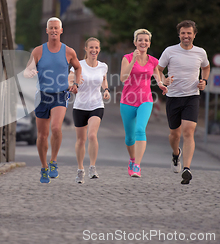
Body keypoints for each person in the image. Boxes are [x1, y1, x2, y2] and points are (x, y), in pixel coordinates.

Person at [24, 17, 82, 184]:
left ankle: (53, 162)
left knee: (56, 128)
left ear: (61, 30)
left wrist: (76, 83)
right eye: (51, 28)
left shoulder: (69, 52)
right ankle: (43, 167)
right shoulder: (38, 51)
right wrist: (29, 73)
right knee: (42, 136)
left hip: (60, 94)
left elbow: (78, 67)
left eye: (57, 28)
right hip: (42, 95)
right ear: (47, 31)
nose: (54, 31)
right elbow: (28, 70)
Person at [157, 20, 210, 185]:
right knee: (175, 134)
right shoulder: (170, 51)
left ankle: (187, 168)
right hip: (173, 97)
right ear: (179, 34)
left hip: (191, 97)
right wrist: (163, 80)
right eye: (183, 33)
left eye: (189, 33)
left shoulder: (200, 52)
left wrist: (204, 81)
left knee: (188, 131)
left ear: (194, 34)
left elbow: (206, 67)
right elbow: (158, 69)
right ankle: (175, 154)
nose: (186, 36)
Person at [120, 29, 168, 178]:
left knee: (140, 130)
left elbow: (158, 75)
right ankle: (132, 159)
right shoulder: (127, 58)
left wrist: (161, 83)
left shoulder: (153, 61)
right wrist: (134, 60)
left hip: (145, 100)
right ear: (135, 42)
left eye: (146, 40)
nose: (143, 42)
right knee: (129, 137)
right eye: (140, 40)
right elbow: (123, 78)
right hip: (128, 100)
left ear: (149, 43)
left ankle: (137, 166)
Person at [68, 37, 110, 184]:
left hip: (96, 105)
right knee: (81, 140)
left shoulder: (103, 66)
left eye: (96, 48)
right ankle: (80, 170)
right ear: (85, 49)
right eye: (91, 48)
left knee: (92, 135)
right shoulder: (78, 65)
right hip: (80, 106)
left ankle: (92, 167)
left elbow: (103, 79)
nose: (94, 50)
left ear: (99, 49)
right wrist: (73, 85)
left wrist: (106, 90)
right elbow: (70, 78)